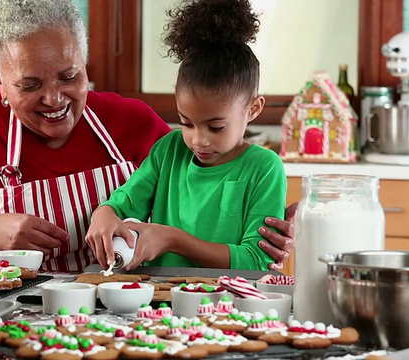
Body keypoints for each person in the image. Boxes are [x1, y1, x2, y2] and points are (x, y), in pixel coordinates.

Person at [0, 0, 295, 272]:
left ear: (86, 63)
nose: (55, 99)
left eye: (70, 76)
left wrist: (276, 228)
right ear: (0, 80)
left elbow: (214, 192)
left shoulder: (132, 123)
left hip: (124, 324)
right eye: (29, 85)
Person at [86, 0, 287, 271]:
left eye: (216, 127)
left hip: (228, 304)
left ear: (253, 109)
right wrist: (104, 213)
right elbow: (123, 203)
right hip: (160, 303)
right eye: (186, 123)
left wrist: (173, 240)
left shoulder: (264, 168)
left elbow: (255, 262)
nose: (198, 140)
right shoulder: (169, 149)